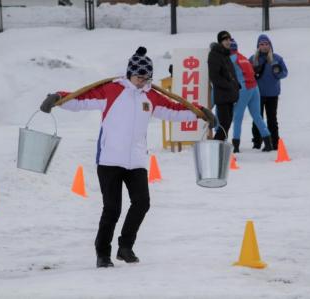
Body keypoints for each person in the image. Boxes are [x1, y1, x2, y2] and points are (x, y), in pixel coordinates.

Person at [40, 47, 216, 268]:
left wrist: (200, 112)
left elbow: (174, 109)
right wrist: (58, 98)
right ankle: (103, 254)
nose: (143, 81)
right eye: (139, 77)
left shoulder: (151, 96)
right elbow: (81, 98)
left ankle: (125, 247)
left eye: (146, 77)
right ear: (130, 73)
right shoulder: (111, 90)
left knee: (142, 203)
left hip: (136, 161)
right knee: (112, 209)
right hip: (110, 160)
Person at [228, 38, 273, 153]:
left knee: (237, 117)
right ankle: (268, 143)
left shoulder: (231, 58)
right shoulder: (242, 57)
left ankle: (236, 145)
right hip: (254, 88)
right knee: (257, 116)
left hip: (244, 89)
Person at [249, 34, 288, 150]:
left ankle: (275, 142)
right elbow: (245, 74)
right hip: (256, 94)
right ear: (258, 46)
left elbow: (285, 73)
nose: (264, 46)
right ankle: (257, 142)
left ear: (270, 45)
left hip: (272, 94)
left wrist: (277, 73)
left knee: (272, 119)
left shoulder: (277, 58)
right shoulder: (252, 59)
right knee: (257, 119)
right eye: (262, 44)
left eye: (266, 44)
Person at [208, 30, 241, 140]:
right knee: (223, 126)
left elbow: (231, 74)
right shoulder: (214, 55)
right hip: (222, 96)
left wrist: (236, 85)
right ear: (220, 41)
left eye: (229, 40)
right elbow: (214, 76)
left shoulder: (226, 54)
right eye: (225, 40)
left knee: (226, 125)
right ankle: (215, 148)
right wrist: (229, 85)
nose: (228, 42)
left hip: (229, 95)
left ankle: (219, 150)